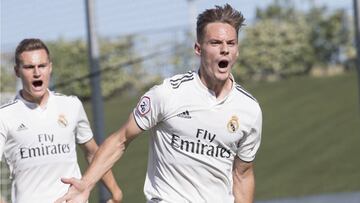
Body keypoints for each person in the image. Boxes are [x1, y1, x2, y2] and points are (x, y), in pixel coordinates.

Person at [56, 4, 262, 203]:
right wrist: (86, 183)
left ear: (237, 50)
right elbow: (121, 140)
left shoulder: (249, 110)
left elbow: (242, 175)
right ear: (198, 49)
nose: (224, 49)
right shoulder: (167, 94)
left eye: (231, 43)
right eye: (215, 43)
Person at [0, 38, 123, 203]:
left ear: (50, 67)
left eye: (42, 66)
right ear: (17, 71)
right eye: (29, 67)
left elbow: (92, 152)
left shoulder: (71, 105)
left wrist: (115, 193)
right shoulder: (5, 115)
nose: (37, 73)